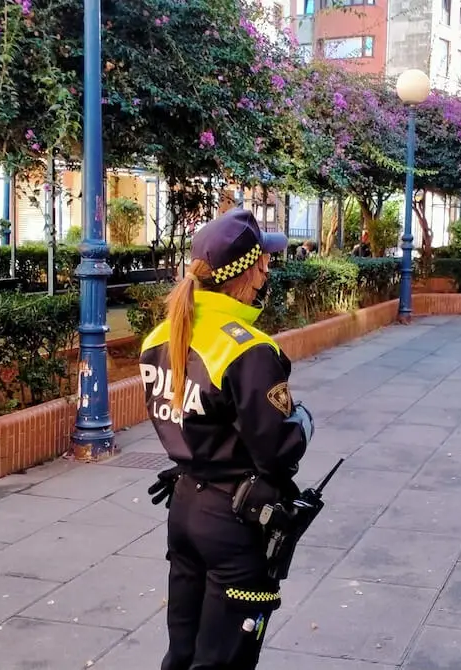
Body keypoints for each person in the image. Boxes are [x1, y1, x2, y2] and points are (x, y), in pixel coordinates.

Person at [140, 208, 313, 670]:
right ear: (250, 271)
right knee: (223, 662)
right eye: (264, 262)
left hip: (185, 508)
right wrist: (304, 422)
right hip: (234, 524)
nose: (268, 271)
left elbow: (187, 421)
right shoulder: (248, 348)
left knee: (182, 654)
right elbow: (277, 451)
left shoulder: (161, 336)